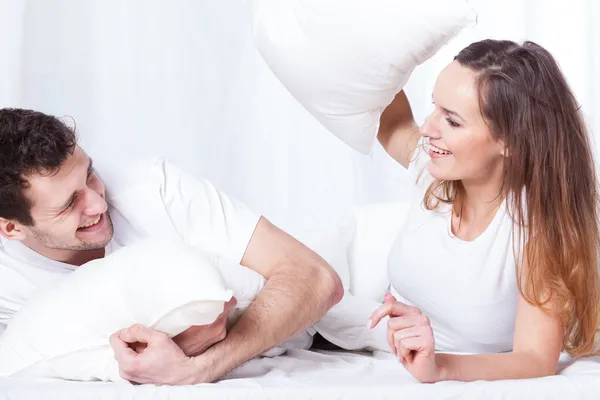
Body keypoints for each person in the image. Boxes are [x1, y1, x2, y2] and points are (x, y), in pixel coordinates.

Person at [0, 108, 344, 385]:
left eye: (90, 174)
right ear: (12, 228)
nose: (98, 204)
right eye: (69, 203)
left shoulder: (156, 189)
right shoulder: (8, 283)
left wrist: (201, 367)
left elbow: (316, 277)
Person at [369, 39, 600, 383]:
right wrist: (382, 46)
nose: (429, 128)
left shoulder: (534, 229)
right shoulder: (432, 165)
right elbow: (391, 122)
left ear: (510, 140)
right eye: (435, 107)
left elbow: (536, 358)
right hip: (371, 313)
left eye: (452, 120)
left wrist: (440, 366)